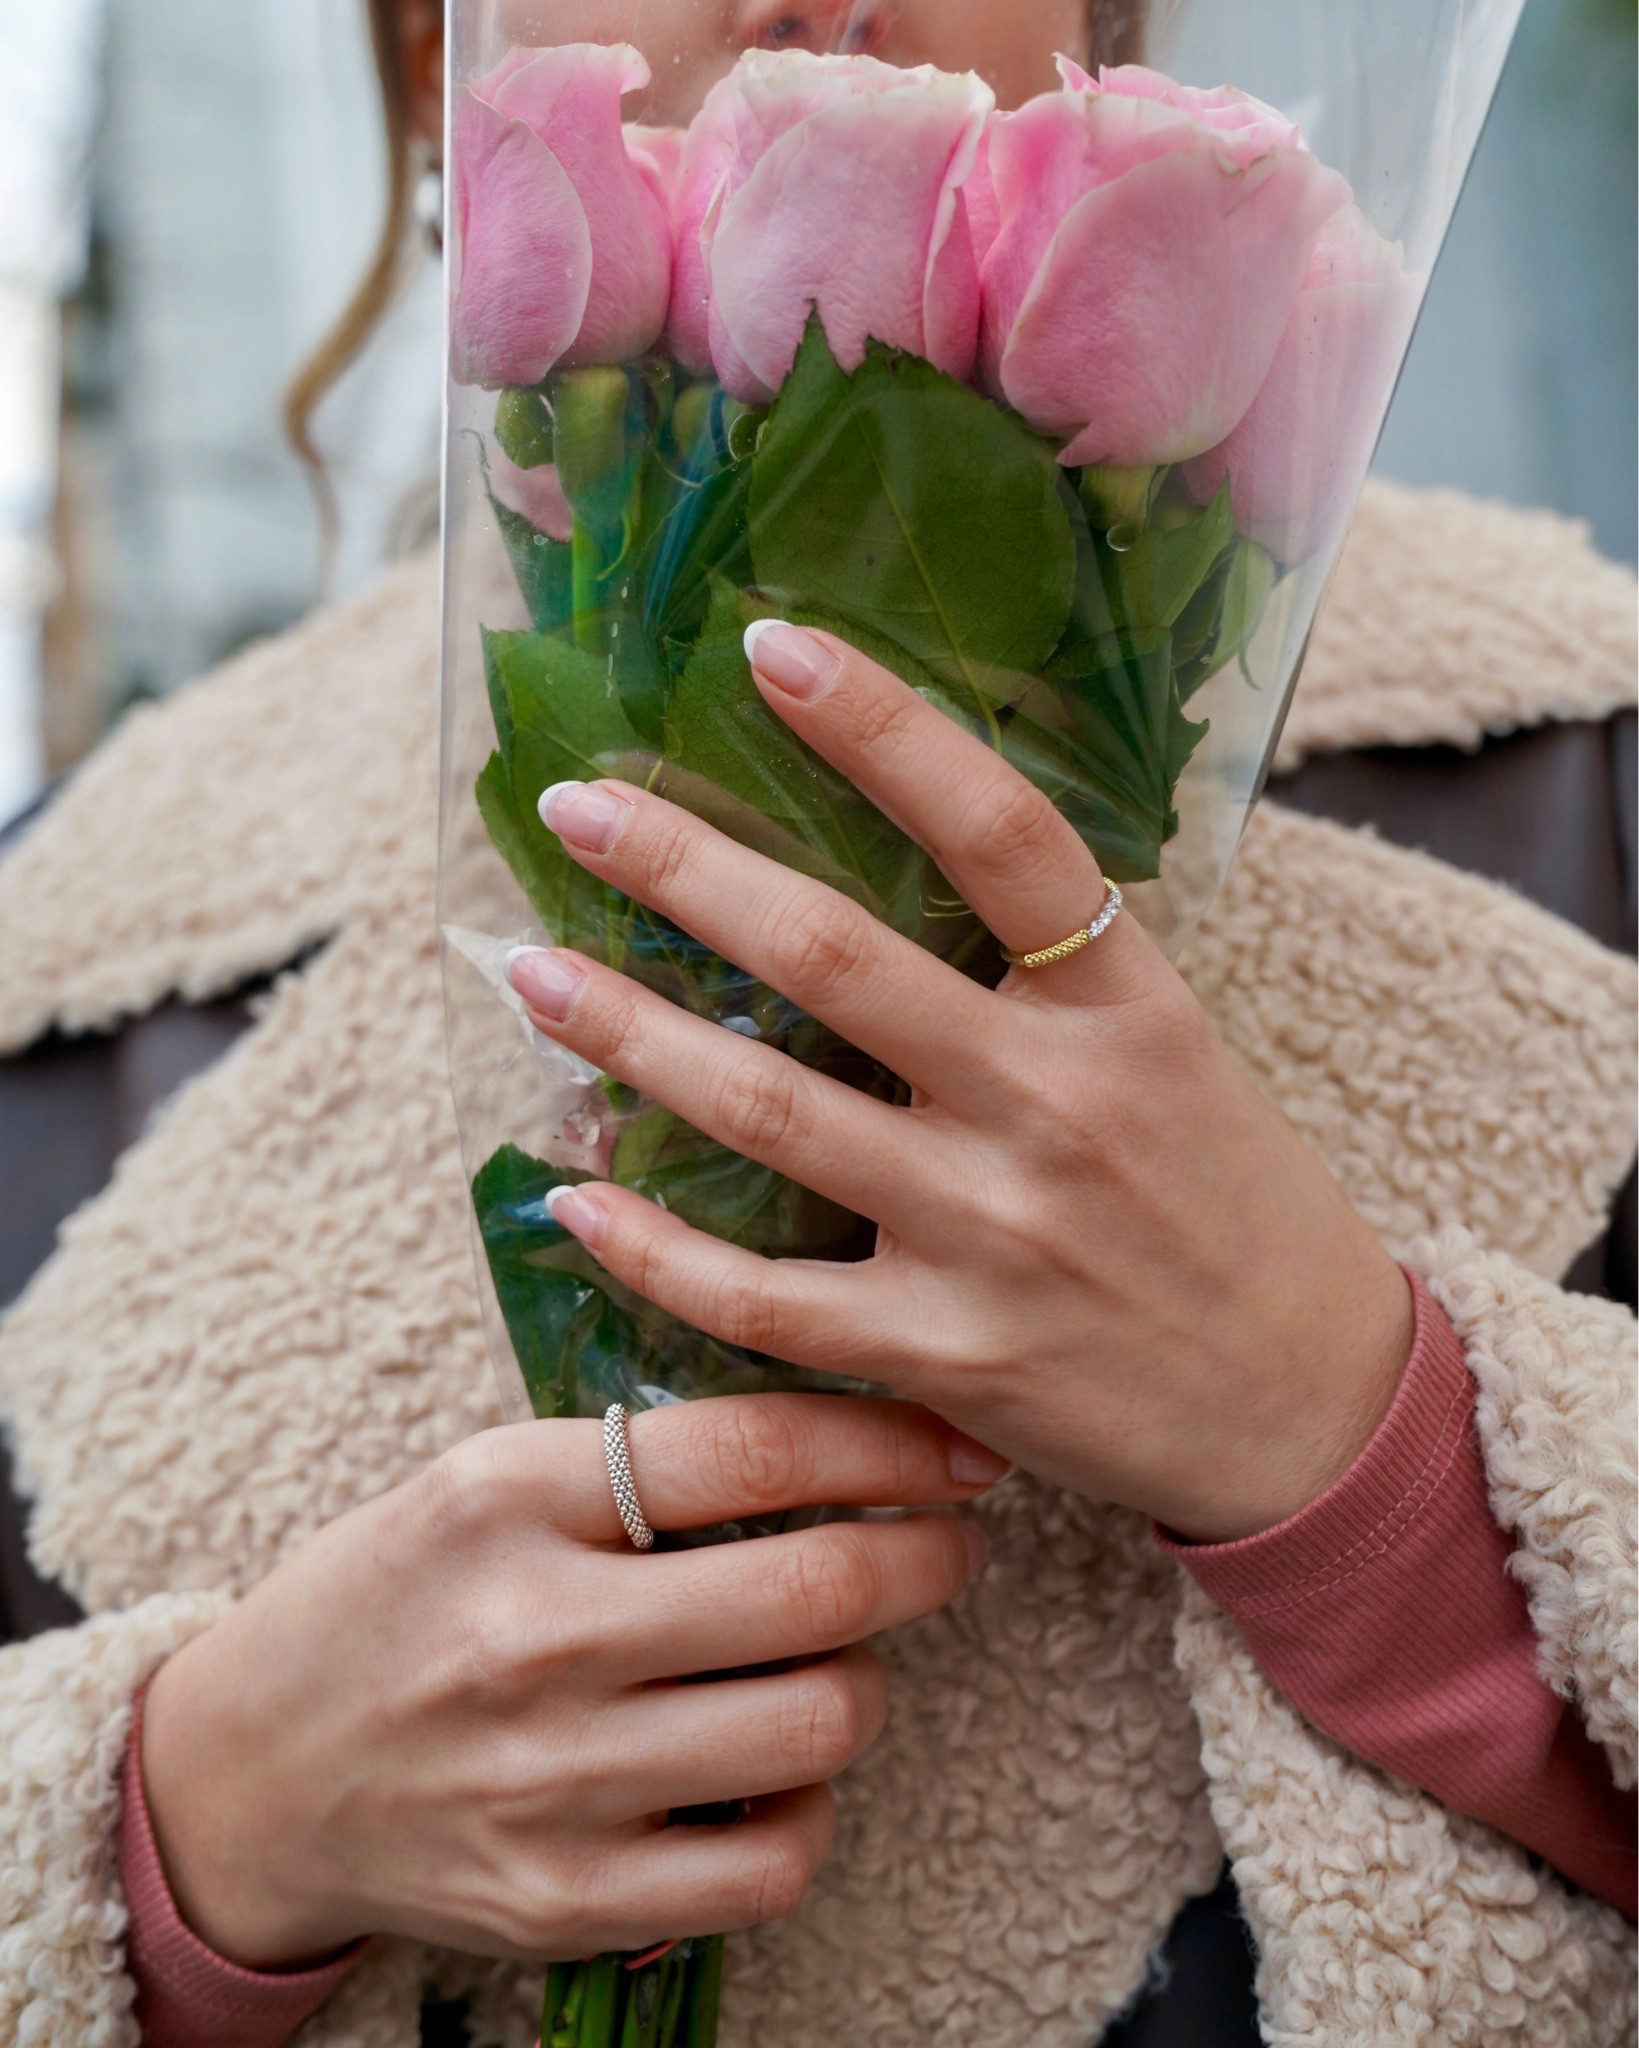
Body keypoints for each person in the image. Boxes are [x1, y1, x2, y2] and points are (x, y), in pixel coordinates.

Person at [0, 3, 1633, 2045]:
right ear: (437, 56)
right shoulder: (55, 976)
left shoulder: (1588, 784)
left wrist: (1369, 1459)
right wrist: (177, 1840)